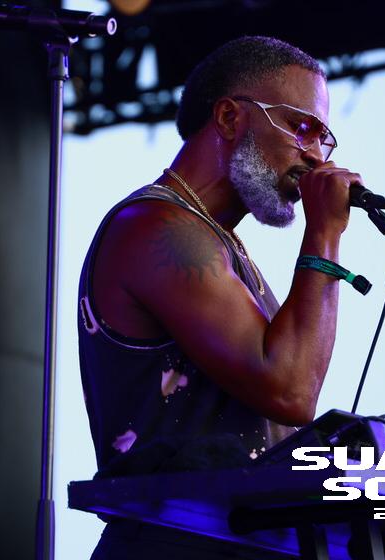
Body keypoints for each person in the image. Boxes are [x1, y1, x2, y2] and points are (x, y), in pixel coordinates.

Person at [77, 36, 364, 559]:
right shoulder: (156, 228)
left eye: (324, 138)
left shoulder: (219, 244)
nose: (315, 155)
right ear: (231, 118)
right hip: (173, 544)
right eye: (301, 126)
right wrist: (324, 234)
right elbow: (291, 390)